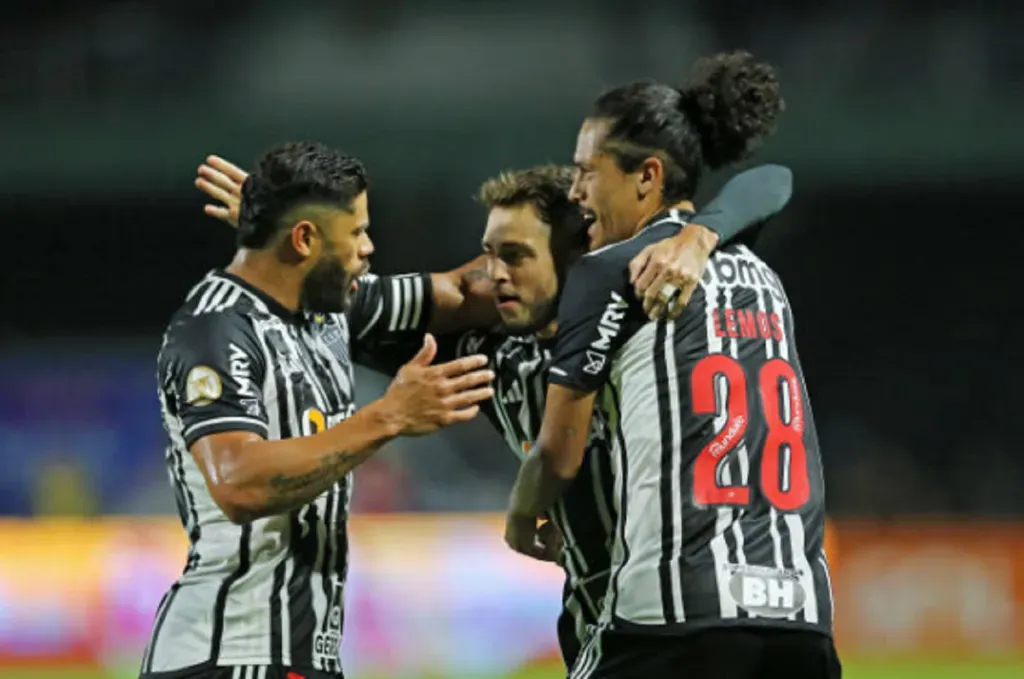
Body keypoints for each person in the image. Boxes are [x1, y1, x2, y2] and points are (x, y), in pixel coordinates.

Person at [193, 157, 789, 671]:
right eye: (488, 256)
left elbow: (771, 181)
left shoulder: (643, 314)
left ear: (581, 252)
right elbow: (350, 303)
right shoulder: (487, 352)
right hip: (598, 624)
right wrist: (293, 231)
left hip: (675, 612)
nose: (493, 275)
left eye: (516, 256)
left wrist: (700, 236)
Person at [505, 51, 841, 679]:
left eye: (587, 172)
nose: (573, 191)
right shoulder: (760, 271)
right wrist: (704, 232)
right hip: (801, 620)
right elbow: (775, 180)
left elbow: (557, 453)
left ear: (646, 175)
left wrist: (522, 517)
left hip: (677, 618)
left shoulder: (612, 272)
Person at [142, 141, 501, 679]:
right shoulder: (216, 328)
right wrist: (389, 416)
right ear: (305, 239)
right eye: (355, 232)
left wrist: (581, 232)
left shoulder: (329, 312)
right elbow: (240, 484)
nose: (369, 247)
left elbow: (464, 292)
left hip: (298, 656)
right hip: (231, 655)